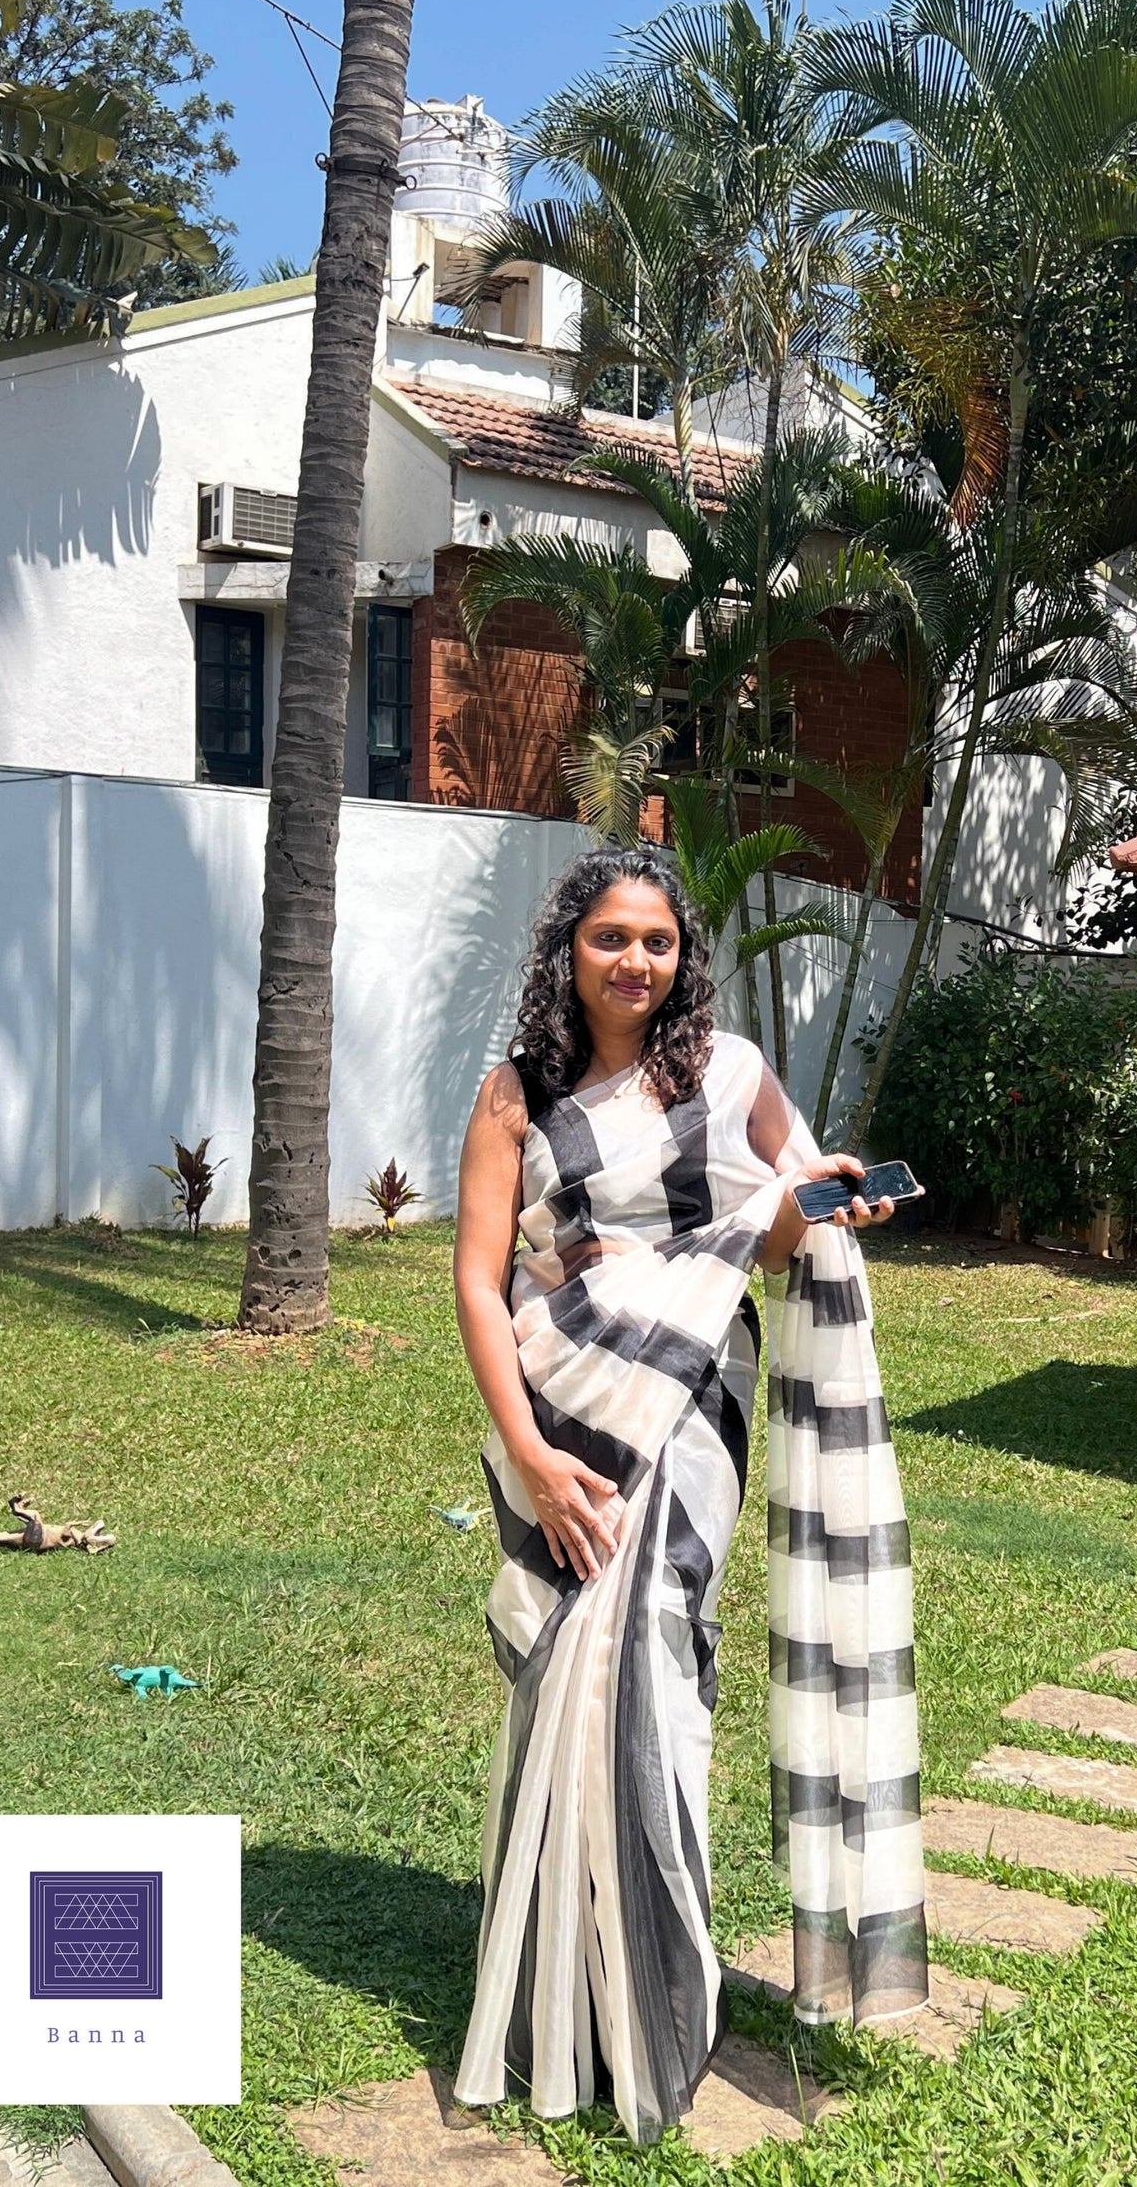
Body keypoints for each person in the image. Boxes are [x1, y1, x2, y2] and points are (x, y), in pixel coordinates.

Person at [452, 848, 928, 2145]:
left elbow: (794, 1189)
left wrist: (833, 1201)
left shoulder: (728, 1074)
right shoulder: (514, 1097)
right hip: (556, 1409)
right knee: (560, 1676)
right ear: (570, 950)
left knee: (648, 1663)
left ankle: (656, 1997)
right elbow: (481, 1288)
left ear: (680, 956)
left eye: (656, 940)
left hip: (693, 1398)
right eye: (610, 936)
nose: (634, 961)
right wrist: (535, 1456)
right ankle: (560, 1983)